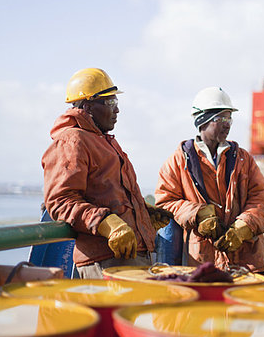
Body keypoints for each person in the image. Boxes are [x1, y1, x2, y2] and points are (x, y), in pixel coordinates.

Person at [42, 67, 171, 279]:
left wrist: (141, 213)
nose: (117, 109)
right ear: (87, 106)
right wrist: (107, 223)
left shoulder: (104, 141)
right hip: (106, 260)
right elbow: (60, 200)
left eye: (116, 102)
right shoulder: (73, 140)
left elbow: (106, 192)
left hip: (128, 255)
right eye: (110, 102)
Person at [155, 87, 264, 273]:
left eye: (229, 118)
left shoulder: (243, 159)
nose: (228, 124)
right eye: (221, 119)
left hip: (245, 262)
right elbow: (165, 201)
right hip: (202, 261)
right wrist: (197, 213)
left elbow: (261, 197)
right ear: (202, 121)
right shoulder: (178, 161)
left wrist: (244, 226)